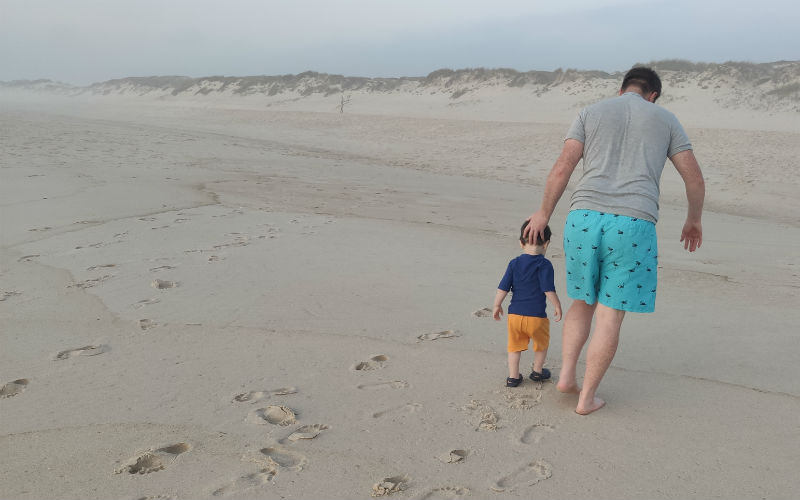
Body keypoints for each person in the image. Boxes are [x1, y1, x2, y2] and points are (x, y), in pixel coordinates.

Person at [523, 67, 705, 415]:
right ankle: (587, 397)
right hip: (633, 223)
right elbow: (693, 178)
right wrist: (693, 219)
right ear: (653, 94)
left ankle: (567, 378)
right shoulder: (666, 119)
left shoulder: (590, 112)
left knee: (581, 301)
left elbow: (563, 166)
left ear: (622, 89)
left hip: (583, 218)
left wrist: (544, 213)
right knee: (610, 315)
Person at [494, 221, 563, 387]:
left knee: (514, 347)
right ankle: (538, 372)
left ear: (521, 243)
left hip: (514, 315)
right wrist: (557, 305)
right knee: (541, 344)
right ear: (546, 244)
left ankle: (513, 377)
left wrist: (497, 305)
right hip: (536, 317)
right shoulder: (544, 264)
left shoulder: (514, 263)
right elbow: (547, 289)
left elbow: (503, 287)